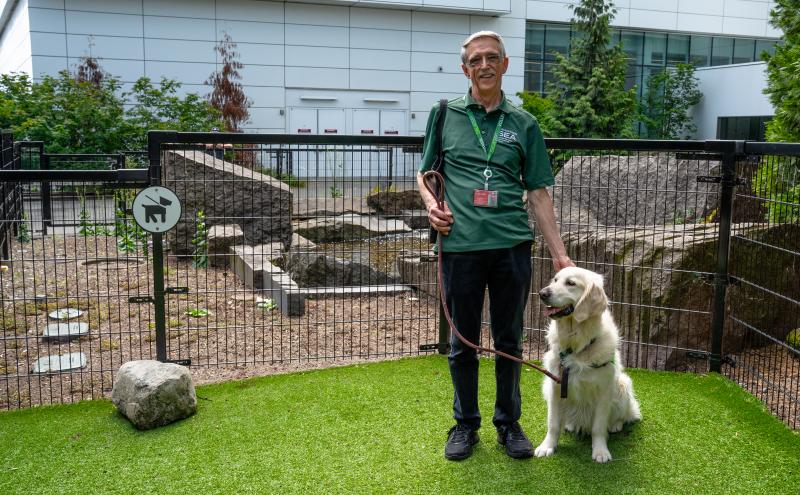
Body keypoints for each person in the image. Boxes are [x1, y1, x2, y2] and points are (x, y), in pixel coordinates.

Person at [416, 31, 574, 461]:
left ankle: (509, 424)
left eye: (492, 58)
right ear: (464, 68)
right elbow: (425, 173)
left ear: (505, 65)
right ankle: (465, 425)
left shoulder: (524, 124)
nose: (484, 65)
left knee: (509, 340)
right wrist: (432, 206)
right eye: (475, 59)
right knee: (462, 341)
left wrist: (559, 254)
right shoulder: (444, 113)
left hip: (511, 247)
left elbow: (539, 193)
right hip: (460, 248)